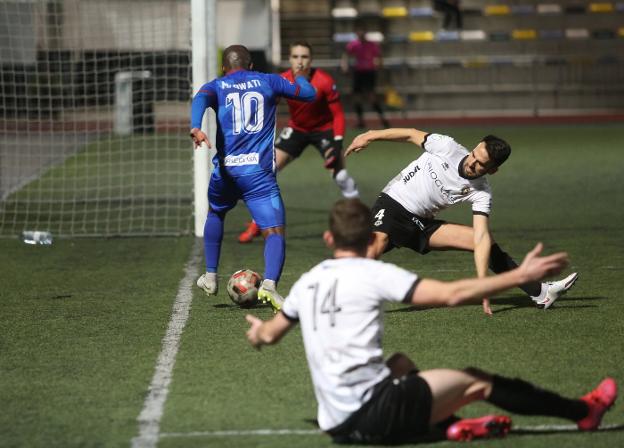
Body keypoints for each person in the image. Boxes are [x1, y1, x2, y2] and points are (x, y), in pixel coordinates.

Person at [245, 198, 617, 444]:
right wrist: (517, 277)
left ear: (329, 238)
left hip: (338, 425)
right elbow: (452, 295)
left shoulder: (309, 280)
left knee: (401, 364)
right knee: (478, 381)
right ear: (370, 237)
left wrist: (257, 333)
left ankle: (446, 427)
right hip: (377, 412)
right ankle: (584, 411)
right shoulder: (374, 274)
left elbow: (270, 334)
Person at [344, 128, 578, 315]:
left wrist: (482, 285)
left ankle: (539, 292)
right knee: (375, 243)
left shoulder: (481, 192)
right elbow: (410, 134)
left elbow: (481, 236)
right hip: (393, 203)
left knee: (476, 241)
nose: (471, 163)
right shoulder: (446, 146)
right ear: (475, 146)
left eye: (480, 164)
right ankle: (345, 297)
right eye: (474, 155)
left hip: (421, 222)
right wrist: (370, 135)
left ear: (493, 170)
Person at [190, 45, 316, 311]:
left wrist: (196, 126)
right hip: (257, 175)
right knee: (273, 231)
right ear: (250, 66)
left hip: (225, 172)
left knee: (215, 213)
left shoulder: (218, 85)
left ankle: (210, 277)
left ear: (224, 68)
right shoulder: (269, 81)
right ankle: (269, 285)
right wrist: (301, 75)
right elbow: (308, 94)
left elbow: (199, 98)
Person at [238, 41, 359, 244]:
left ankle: (358, 218)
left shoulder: (324, 81)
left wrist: (337, 142)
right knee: (266, 171)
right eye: (295, 57)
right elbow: (266, 108)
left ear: (311, 60)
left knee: (341, 175)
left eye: (304, 57)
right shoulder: (282, 80)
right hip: (297, 130)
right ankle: (257, 223)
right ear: (289, 59)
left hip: (324, 131)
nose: (300, 62)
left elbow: (338, 115)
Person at [341, 28, 390, 129]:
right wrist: (344, 65)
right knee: (357, 97)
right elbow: (346, 54)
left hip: (369, 72)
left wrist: (380, 66)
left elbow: (379, 56)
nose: (360, 33)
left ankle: (383, 120)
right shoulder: (354, 44)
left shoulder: (372, 45)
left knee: (371, 96)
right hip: (359, 72)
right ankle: (360, 121)